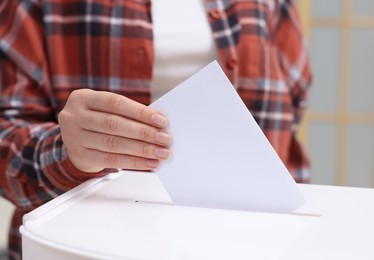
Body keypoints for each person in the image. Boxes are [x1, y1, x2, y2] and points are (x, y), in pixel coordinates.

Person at [0, 0, 312, 258]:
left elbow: (293, 93)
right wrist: (66, 152)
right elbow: (6, 131)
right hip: (88, 244)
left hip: (247, 240)